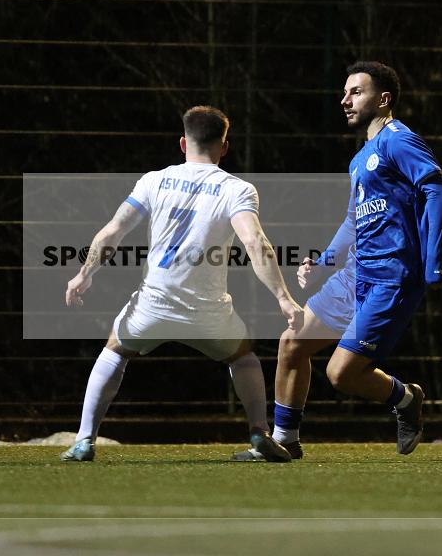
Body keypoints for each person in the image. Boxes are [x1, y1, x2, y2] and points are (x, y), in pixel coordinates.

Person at [60, 105, 304, 463]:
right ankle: (259, 433)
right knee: (244, 357)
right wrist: (283, 297)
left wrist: (85, 273)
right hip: (209, 310)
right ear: (224, 147)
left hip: (152, 304)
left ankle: (84, 440)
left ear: (182, 143)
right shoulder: (237, 189)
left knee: (115, 350)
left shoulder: (154, 180)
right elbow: (255, 243)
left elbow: (113, 231)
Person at [245, 61, 442, 460]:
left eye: (356, 92)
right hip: (354, 275)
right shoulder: (360, 159)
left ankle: (406, 398)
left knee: (340, 374)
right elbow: (354, 219)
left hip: (391, 277)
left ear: (384, 99)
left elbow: (438, 191)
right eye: (344, 93)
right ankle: (284, 440)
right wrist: (324, 262)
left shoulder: (398, 141)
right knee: (292, 343)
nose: (345, 100)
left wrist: (433, 260)